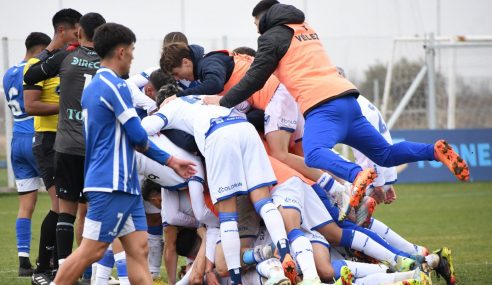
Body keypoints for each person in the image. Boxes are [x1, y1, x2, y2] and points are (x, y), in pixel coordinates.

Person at [208, 0, 470, 209]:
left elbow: (255, 78)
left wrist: (223, 102)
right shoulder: (305, 28)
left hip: (322, 106)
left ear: (264, 19)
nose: (256, 30)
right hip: (348, 100)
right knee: (386, 154)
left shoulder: (271, 37)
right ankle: (434, 151)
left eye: (256, 24)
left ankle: (356, 175)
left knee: (313, 153)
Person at [50, 23, 196, 285]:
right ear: (120, 52)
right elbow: (138, 136)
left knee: (138, 250)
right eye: (131, 50)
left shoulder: (96, 85)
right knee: (91, 250)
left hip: (123, 184)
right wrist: (172, 161)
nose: (132, 56)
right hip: (111, 183)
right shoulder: (113, 85)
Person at [142, 84, 297, 285]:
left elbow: (144, 129)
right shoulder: (200, 96)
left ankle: (236, 280)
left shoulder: (169, 108)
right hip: (244, 128)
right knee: (264, 203)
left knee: (227, 217)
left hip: (218, 135)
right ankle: (285, 254)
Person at [24, 13, 106, 275]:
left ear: (80, 32)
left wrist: (50, 54)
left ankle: (63, 271)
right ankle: (94, 273)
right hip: (96, 148)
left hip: (67, 146)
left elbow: (32, 75)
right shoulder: (108, 62)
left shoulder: (66, 57)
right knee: (94, 210)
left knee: (66, 212)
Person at [22, 8, 82, 285]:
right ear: (62, 31)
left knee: (72, 207)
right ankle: (42, 270)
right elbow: (30, 105)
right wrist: (66, 105)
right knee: (59, 206)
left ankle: (65, 269)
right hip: (48, 141)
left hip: (70, 141)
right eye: (75, 30)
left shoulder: (69, 59)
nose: (79, 35)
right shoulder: (38, 64)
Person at [3, 31, 50, 277]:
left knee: (26, 206)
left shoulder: (8, 73)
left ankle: (23, 260)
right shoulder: (35, 69)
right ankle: (51, 257)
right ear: (40, 48)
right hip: (37, 135)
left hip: (17, 142)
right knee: (60, 202)